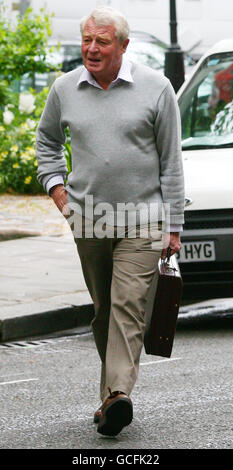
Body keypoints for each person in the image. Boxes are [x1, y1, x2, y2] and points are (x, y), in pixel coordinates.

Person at [36, 6, 185, 437]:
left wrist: (173, 226)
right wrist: (57, 190)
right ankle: (111, 400)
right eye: (87, 40)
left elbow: (171, 163)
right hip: (90, 219)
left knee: (127, 306)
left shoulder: (157, 89)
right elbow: (46, 142)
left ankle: (119, 393)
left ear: (123, 45)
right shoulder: (65, 88)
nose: (91, 48)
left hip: (144, 219)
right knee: (105, 311)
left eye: (102, 41)